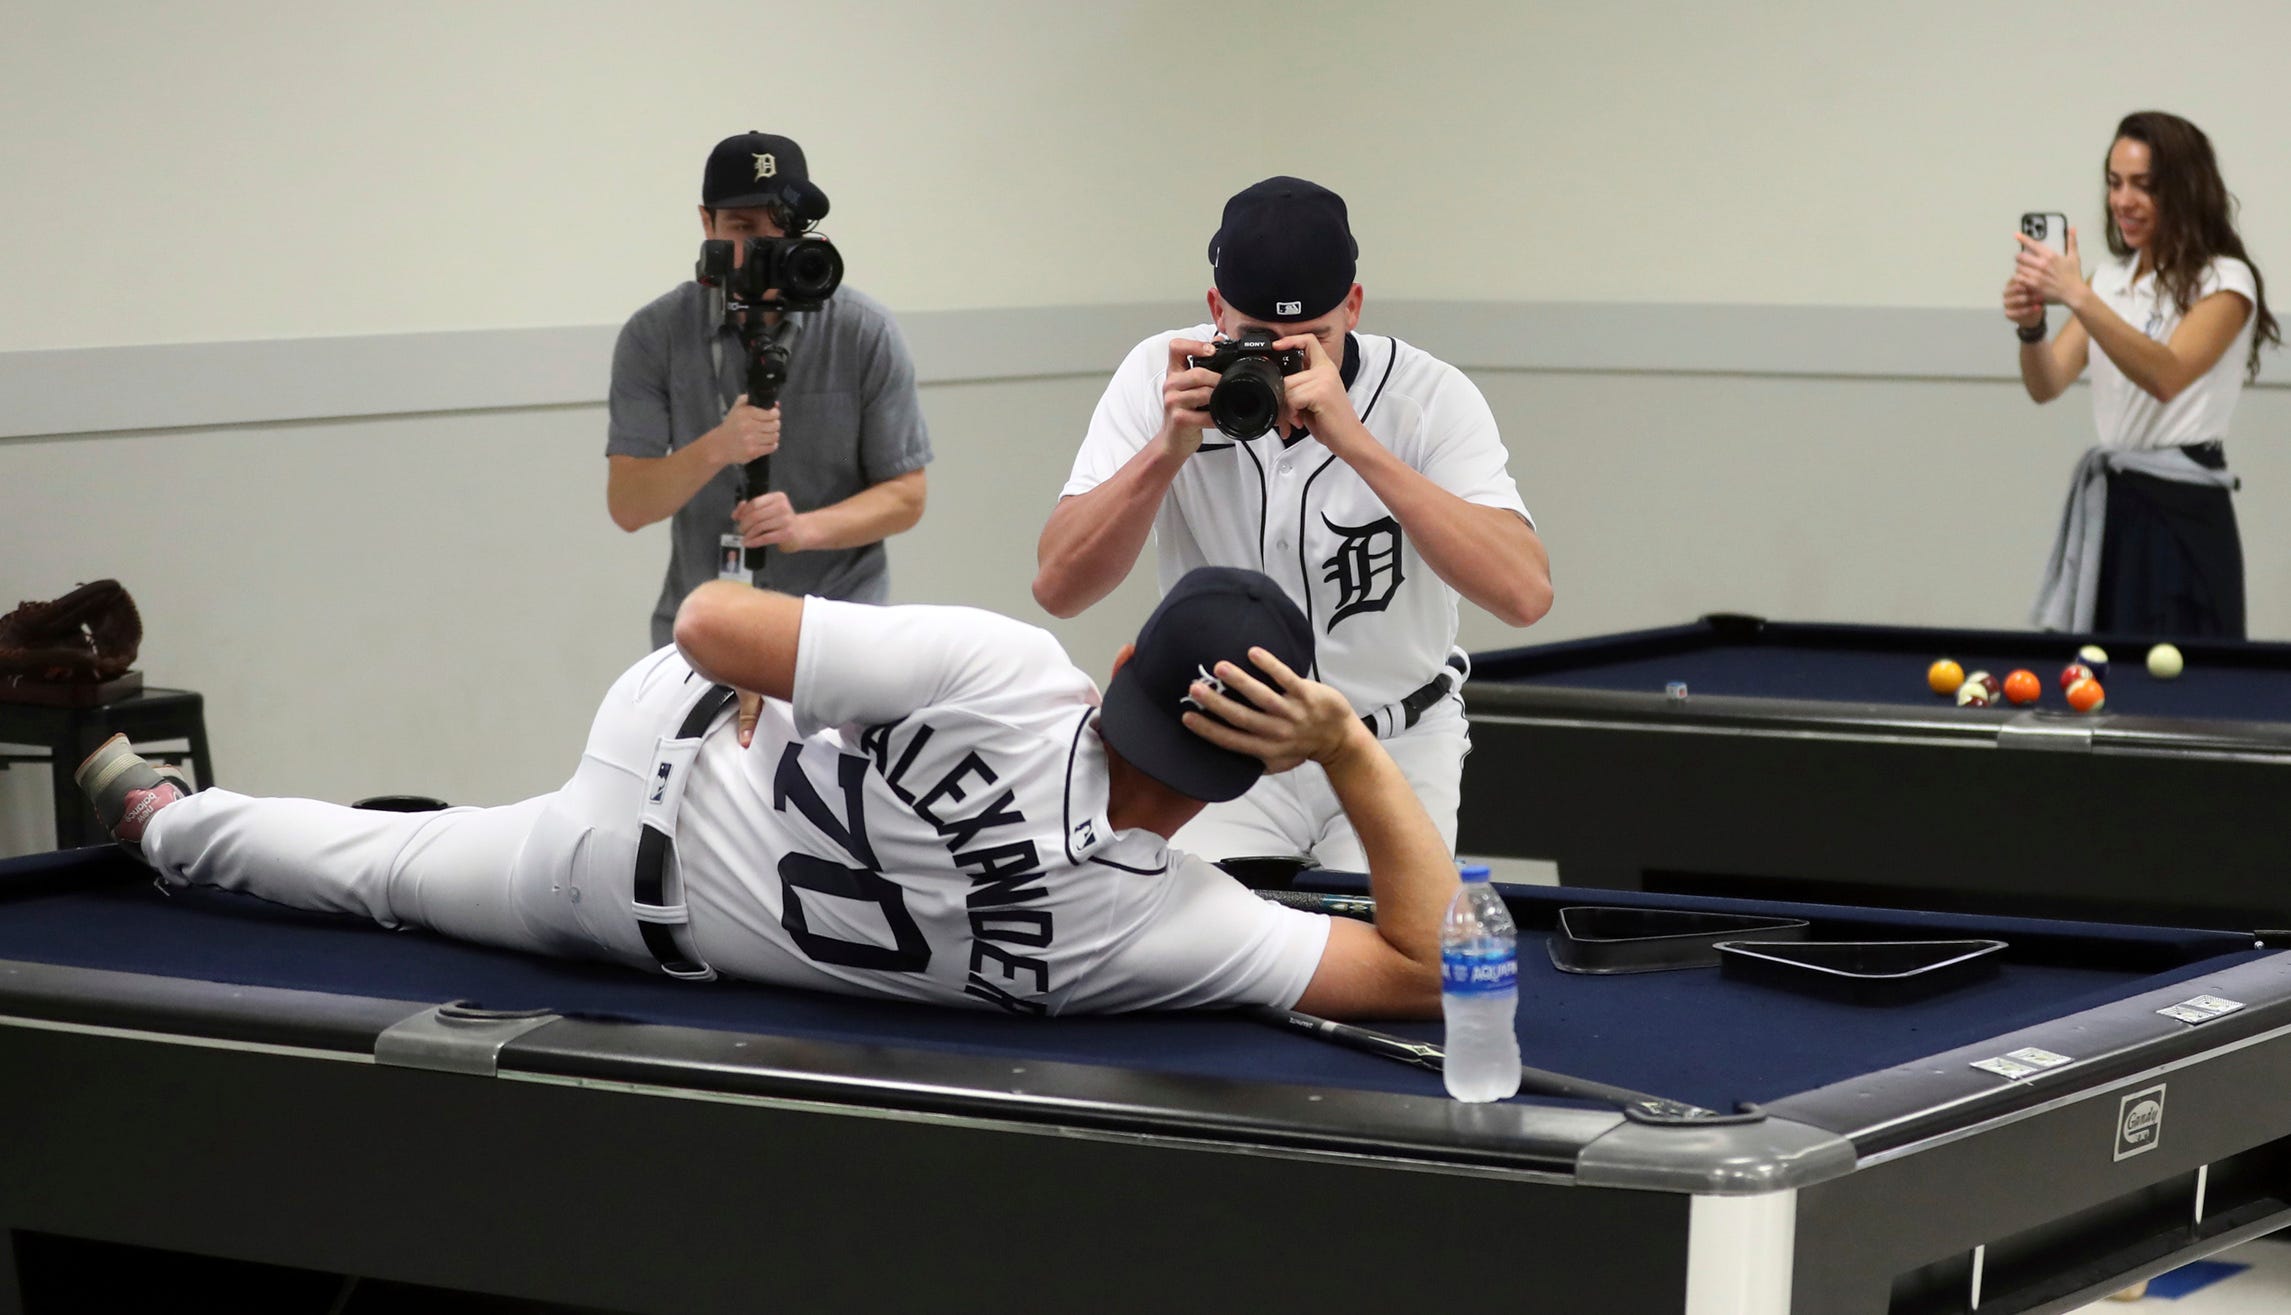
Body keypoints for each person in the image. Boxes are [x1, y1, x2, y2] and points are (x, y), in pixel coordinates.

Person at [76, 568, 1456, 1020]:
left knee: (388, 867)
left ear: (1121, 671)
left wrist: (799, 681)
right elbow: (1426, 964)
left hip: (648, 780)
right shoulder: (1170, 924)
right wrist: (1350, 750)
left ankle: (160, 816)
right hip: (626, 914)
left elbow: (705, 619)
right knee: (395, 868)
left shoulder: (1013, 670)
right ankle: (169, 821)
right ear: (1256, 759)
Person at [1033, 177, 1552, 870]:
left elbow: (1523, 594)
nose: (1282, 363)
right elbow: (1059, 588)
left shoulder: (1428, 395)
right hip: (1223, 739)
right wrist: (1163, 453)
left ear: (1355, 307)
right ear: (1216, 311)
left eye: (1312, 339)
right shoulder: (1162, 376)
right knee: (1190, 961)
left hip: (1393, 741)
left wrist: (1357, 445)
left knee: (1398, 965)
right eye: (1258, 340)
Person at [607, 131, 934, 649]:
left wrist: (803, 530)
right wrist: (718, 446)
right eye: (742, 227)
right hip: (705, 631)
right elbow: (629, 505)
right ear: (706, 223)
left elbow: (906, 497)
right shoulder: (656, 334)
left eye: (780, 228)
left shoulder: (862, 330)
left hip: (837, 629)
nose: (765, 246)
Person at [2008, 110, 2279, 639]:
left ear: (2183, 190)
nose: (2122, 201)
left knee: (2187, 678)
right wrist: (2033, 328)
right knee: (2102, 672)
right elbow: (2047, 384)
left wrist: (2079, 298)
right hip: (2117, 502)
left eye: (2143, 186)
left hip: (2185, 507)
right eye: (2114, 184)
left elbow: (2167, 376)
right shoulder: (2109, 280)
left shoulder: (2225, 280)